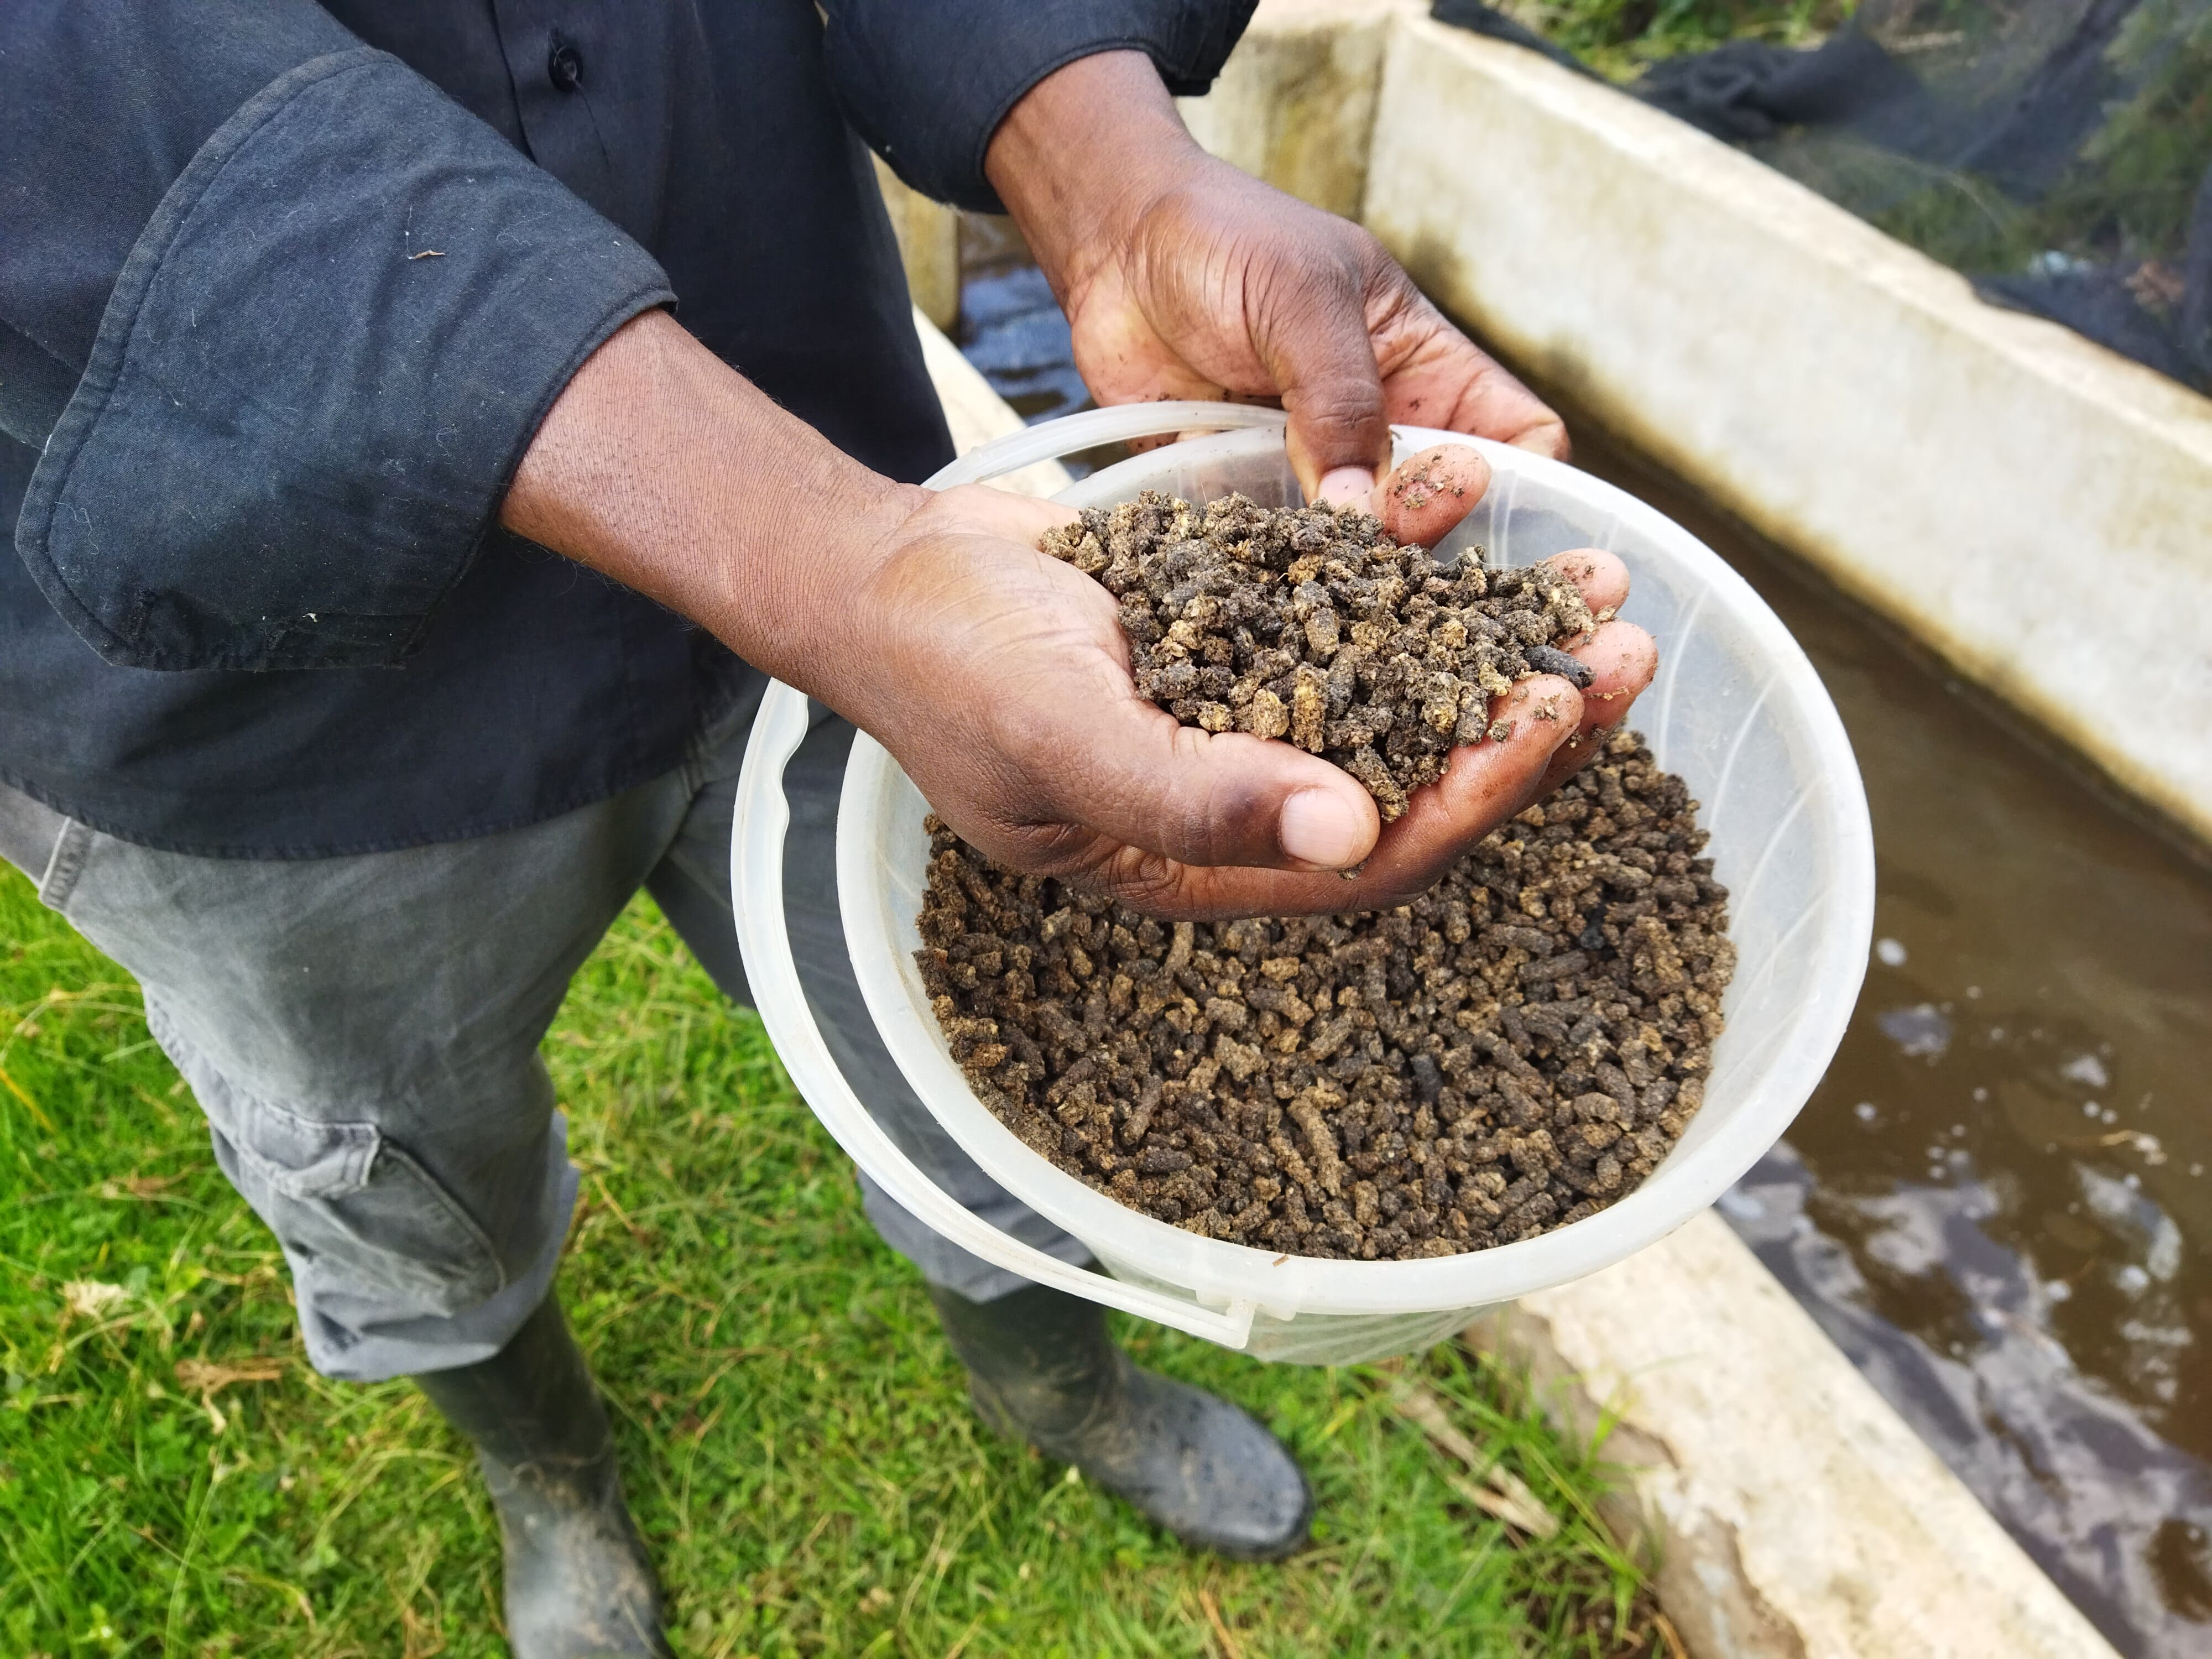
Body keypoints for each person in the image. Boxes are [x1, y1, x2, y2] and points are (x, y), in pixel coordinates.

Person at [0, 3, 1656, 1652]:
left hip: (822, 452)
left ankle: (1053, 1379)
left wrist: (1102, 163)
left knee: (984, 1053)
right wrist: (834, 566)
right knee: (394, 1167)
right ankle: (548, 1473)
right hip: (261, 707)